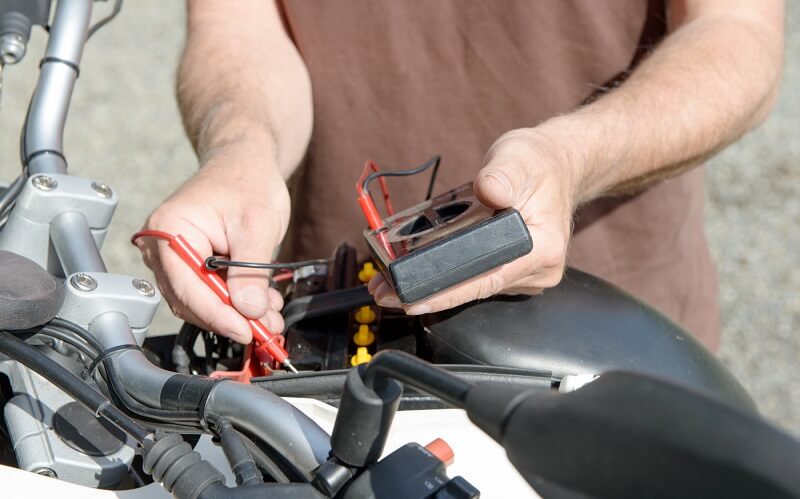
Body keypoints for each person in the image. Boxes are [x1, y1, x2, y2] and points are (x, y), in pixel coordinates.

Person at [136, 0, 783, 352]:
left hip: (604, 340)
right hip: (330, 334)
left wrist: (573, 157)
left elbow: (736, 32)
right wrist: (244, 149)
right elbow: (239, 21)